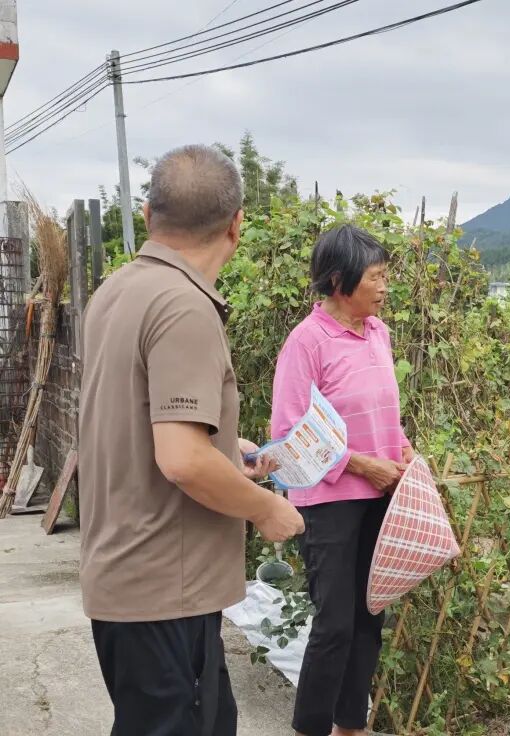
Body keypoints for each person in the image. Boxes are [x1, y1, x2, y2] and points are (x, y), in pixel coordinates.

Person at [79, 144, 305, 736]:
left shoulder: (117, 291)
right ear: (236, 225)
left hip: (131, 577)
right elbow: (181, 460)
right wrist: (265, 510)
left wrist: (224, 449)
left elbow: (144, 424)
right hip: (164, 588)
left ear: (148, 214)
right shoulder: (185, 306)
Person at [271, 224, 415, 736]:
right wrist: (362, 464)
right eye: (375, 277)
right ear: (338, 281)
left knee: (369, 615)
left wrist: (401, 449)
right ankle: (310, 728)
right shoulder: (307, 342)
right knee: (334, 624)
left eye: (385, 276)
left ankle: (350, 727)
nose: (384, 287)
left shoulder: (378, 332)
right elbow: (288, 431)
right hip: (329, 501)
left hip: (381, 496)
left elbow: (384, 410)